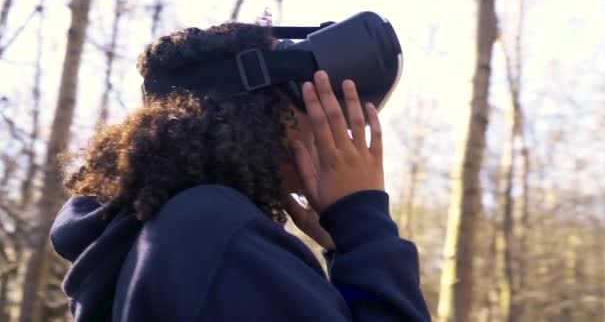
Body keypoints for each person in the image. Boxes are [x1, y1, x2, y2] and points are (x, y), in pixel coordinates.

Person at [50, 22, 431, 321]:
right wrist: (365, 226)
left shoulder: (162, 236)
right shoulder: (217, 237)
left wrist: (345, 246)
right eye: (306, 93)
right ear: (258, 109)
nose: (336, 125)